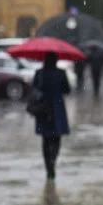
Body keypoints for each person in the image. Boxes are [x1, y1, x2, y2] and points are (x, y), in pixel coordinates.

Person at [33, 52, 71, 180]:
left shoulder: (40, 73)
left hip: (43, 108)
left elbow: (34, 88)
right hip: (57, 108)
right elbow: (67, 90)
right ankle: (53, 161)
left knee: (45, 139)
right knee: (57, 138)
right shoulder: (61, 73)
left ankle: (48, 167)